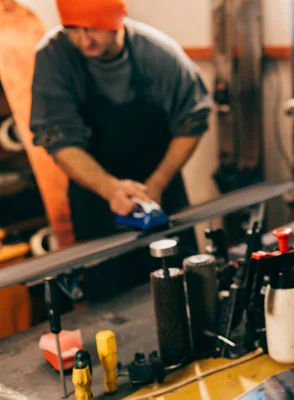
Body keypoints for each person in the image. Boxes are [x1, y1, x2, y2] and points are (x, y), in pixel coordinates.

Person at [30, 0, 212, 301]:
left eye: (94, 30)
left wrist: (158, 182)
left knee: (181, 293)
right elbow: (58, 139)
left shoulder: (159, 55)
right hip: (95, 198)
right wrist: (110, 188)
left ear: (117, 19)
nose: (83, 40)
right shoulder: (54, 57)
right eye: (73, 30)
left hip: (159, 193)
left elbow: (192, 122)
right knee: (109, 300)